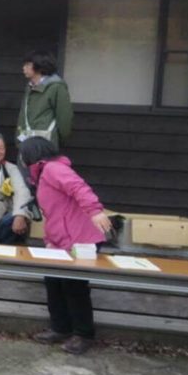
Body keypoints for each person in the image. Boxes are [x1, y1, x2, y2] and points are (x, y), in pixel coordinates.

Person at [19, 137, 112, 355]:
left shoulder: (52, 169)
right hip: (61, 241)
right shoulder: (41, 175)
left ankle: (84, 334)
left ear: (31, 155)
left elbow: (78, 187)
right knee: (53, 281)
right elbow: (54, 214)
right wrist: (51, 240)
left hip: (82, 239)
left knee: (74, 286)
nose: (21, 160)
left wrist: (95, 211)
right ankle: (60, 328)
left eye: (23, 155)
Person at [17, 50, 73, 146]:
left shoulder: (56, 86)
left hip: (47, 141)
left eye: (27, 65)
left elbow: (64, 117)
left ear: (39, 66)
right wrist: (18, 137)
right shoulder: (29, 86)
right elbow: (23, 114)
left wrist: (57, 138)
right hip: (26, 141)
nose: (23, 68)